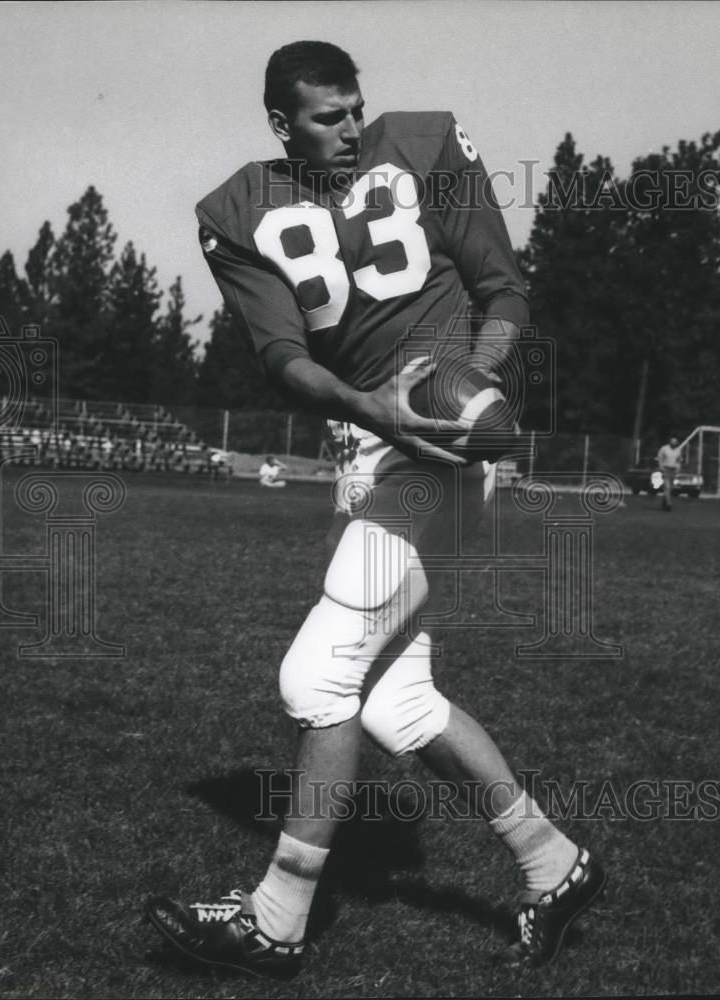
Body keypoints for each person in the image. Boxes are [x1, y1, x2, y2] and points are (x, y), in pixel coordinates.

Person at [144, 41, 606, 976]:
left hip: (437, 451)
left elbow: (502, 287)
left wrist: (472, 378)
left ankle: (277, 920)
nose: (351, 128)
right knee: (397, 699)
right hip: (366, 443)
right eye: (326, 116)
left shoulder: (425, 143)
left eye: (356, 108)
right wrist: (368, 409)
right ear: (282, 122)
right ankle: (551, 863)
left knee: (316, 676)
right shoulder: (236, 211)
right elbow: (282, 359)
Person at [656, 435, 682, 511]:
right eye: (672, 442)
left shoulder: (678, 450)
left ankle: (664, 501)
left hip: (673, 470)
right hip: (666, 469)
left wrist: (678, 468)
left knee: (670, 488)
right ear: (670, 442)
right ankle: (668, 504)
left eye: (675, 442)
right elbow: (660, 458)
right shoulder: (664, 449)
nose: (674, 443)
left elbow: (679, 460)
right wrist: (661, 467)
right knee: (667, 487)